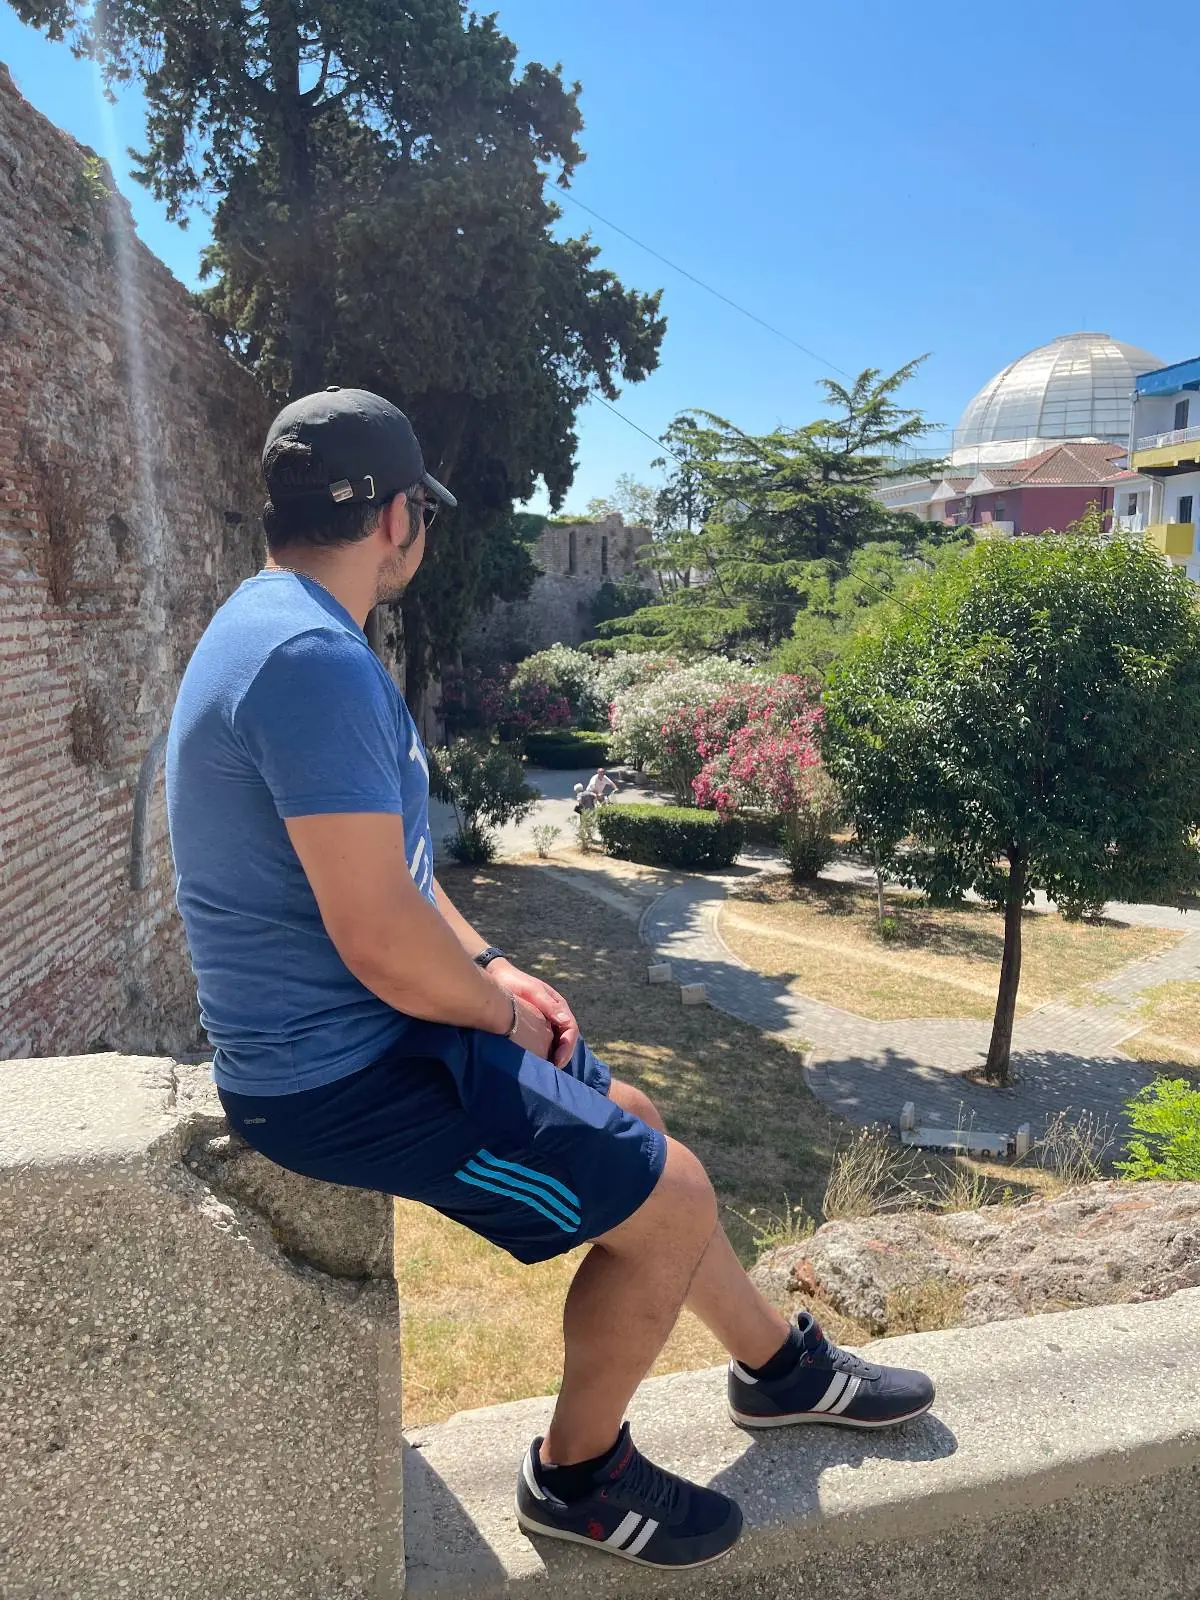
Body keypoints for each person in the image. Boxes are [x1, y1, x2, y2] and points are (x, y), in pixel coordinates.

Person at [166, 386, 935, 1572]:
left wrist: (496, 966)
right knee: (667, 1198)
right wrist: (495, 1013)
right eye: (423, 511)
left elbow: (397, 877)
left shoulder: (276, 625)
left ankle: (780, 1370)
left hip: (381, 1031)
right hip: (335, 1077)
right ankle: (575, 1477)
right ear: (396, 519)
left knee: (640, 1125)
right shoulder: (312, 661)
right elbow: (373, 937)